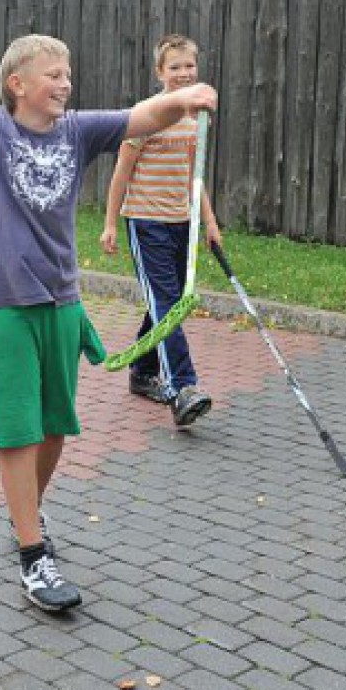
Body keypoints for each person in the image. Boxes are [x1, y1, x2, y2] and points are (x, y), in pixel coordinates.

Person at [0, 0, 217, 612]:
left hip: (63, 305)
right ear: (18, 84)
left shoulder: (78, 132)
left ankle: (25, 516)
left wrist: (182, 99)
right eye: (54, 74)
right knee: (17, 431)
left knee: (55, 429)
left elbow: (140, 115)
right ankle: (33, 555)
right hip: (5, 307)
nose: (66, 83)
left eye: (68, 74)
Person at [100, 33, 222, 428]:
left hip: (181, 222)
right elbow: (122, 172)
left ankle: (141, 371)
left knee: (165, 300)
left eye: (190, 65)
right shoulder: (146, 116)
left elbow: (194, 175)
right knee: (168, 303)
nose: (184, 73)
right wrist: (110, 223)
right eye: (175, 67)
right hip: (146, 221)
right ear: (159, 72)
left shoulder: (196, 118)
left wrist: (209, 222)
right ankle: (182, 387)